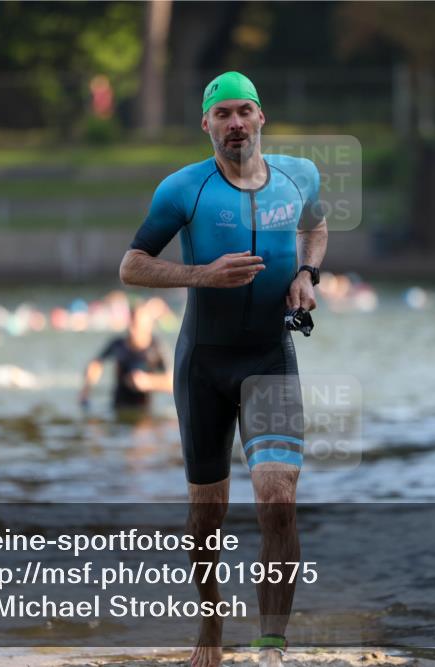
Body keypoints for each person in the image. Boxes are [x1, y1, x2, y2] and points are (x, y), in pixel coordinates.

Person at [119, 71, 328, 667]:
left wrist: (306, 276)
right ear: (206, 125)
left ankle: (271, 646)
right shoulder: (183, 190)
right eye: (222, 115)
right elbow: (132, 266)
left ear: (261, 117)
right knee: (205, 515)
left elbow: (316, 227)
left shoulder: (300, 177)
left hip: (269, 357)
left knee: (276, 497)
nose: (235, 123)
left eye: (244, 111)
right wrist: (202, 275)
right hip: (203, 366)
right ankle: (210, 626)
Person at [78, 298, 172, 419]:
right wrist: (86, 390)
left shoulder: (157, 348)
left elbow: (172, 383)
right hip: (118, 408)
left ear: (149, 325)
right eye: (132, 322)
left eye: (138, 323)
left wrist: (148, 382)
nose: (133, 328)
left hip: (143, 412)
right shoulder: (118, 344)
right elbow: (96, 363)